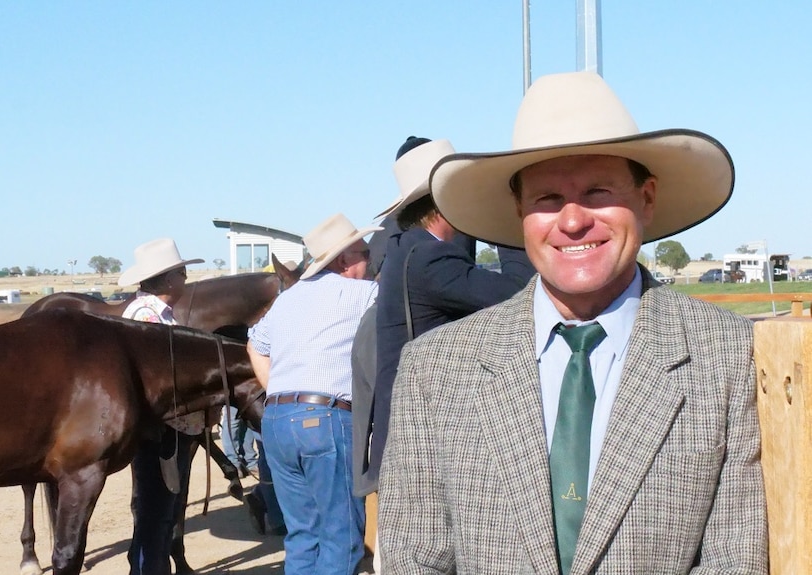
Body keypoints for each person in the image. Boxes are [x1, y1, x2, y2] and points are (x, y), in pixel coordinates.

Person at [378, 71, 767, 574]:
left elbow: (736, 560)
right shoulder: (436, 368)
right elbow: (415, 559)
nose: (572, 220)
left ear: (646, 199)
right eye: (546, 198)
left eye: (599, 191)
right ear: (519, 210)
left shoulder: (730, 356)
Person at [370, 136, 528, 488]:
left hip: (406, 435)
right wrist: (503, 223)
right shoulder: (431, 258)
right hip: (419, 443)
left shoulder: (406, 247)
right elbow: (519, 291)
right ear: (444, 204)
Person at [248, 213, 380, 574]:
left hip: (276, 418)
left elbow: (255, 347)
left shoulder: (288, 299)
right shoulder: (365, 294)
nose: (371, 261)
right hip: (326, 417)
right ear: (343, 260)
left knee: (303, 535)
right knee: (341, 536)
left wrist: (277, 390)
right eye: (365, 254)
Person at [119, 237, 206, 575]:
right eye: (182, 273)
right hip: (161, 434)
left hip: (166, 432)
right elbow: (165, 379)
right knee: (156, 513)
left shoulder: (154, 314)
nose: (185, 279)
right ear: (168, 279)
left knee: (159, 513)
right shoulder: (147, 316)